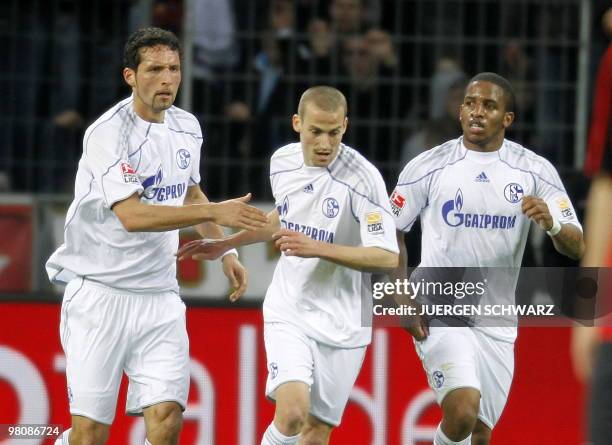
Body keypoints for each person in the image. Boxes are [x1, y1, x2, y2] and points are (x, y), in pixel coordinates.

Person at [46, 27, 268, 445]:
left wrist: (224, 250)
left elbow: (190, 191)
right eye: (154, 69)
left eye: (174, 69)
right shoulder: (107, 134)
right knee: (90, 434)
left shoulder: (187, 127)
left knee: (166, 419)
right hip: (100, 295)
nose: (166, 79)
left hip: (160, 296)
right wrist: (214, 210)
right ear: (130, 75)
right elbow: (131, 215)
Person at [177, 86, 399, 445]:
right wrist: (227, 244)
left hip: (344, 322)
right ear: (298, 124)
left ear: (345, 125)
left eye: (334, 133)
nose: (325, 143)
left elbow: (387, 256)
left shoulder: (364, 180)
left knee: (316, 433)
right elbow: (285, 218)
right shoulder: (282, 162)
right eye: (315, 132)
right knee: (293, 413)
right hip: (291, 308)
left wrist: (319, 248)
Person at [389, 72, 585, 445]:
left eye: (489, 106)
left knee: (480, 433)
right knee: (462, 411)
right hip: (439, 308)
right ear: (461, 110)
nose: (477, 112)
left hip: (496, 319)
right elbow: (390, 232)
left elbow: (577, 245)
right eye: (471, 103)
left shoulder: (535, 171)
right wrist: (401, 297)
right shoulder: (428, 166)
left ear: (507, 119)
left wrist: (554, 226)